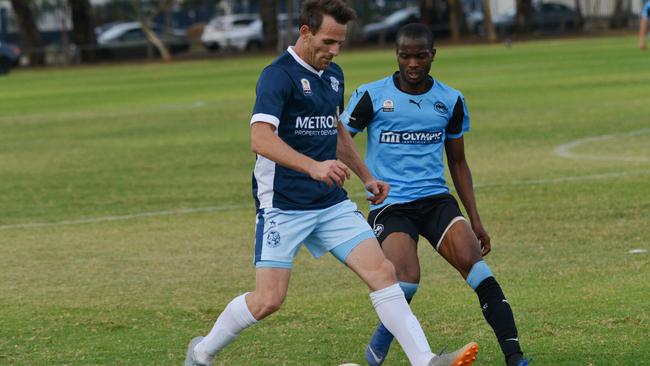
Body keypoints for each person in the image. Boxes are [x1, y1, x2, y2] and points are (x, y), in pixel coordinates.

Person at [184, 3, 479, 366]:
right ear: (305, 32)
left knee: (383, 272)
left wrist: (366, 175)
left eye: (340, 43)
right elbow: (260, 139)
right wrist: (313, 167)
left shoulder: (333, 75)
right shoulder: (278, 76)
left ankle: (424, 360)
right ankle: (200, 353)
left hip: (330, 204)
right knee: (268, 300)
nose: (334, 51)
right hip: (283, 204)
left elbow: (337, 130)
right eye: (328, 42)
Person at [341, 23, 530, 366]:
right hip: (391, 204)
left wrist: (475, 218)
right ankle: (375, 354)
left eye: (420, 56)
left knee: (476, 265)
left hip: (436, 201)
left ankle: (515, 357)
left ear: (433, 56)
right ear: (396, 55)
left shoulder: (450, 99)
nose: (412, 63)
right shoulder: (371, 95)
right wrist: (363, 178)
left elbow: (458, 162)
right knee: (406, 277)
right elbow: (340, 139)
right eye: (405, 55)